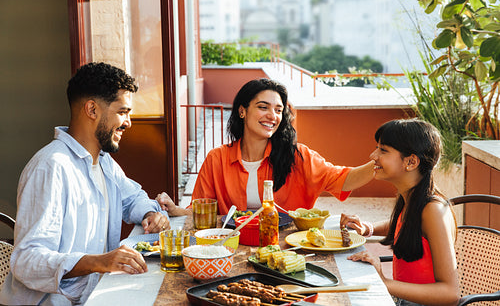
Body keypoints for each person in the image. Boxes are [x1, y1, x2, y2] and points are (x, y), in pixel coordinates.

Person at [0, 62, 183, 305]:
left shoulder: (104, 163)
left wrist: (150, 211)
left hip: (95, 296)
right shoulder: (51, 167)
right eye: (122, 112)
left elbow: (132, 198)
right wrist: (100, 261)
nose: (128, 122)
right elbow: (27, 261)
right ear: (92, 110)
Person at [186, 78, 375, 215]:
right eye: (263, 107)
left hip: (286, 248)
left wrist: (379, 162)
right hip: (232, 245)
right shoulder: (217, 158)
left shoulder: (297, 156)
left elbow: (344, 179)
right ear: (242, 111)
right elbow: (199, 209)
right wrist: (171, 210)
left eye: (278, 110)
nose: (272, 115)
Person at [340, 119, 459, 306]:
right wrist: (368, 228)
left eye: (383, 150)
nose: (373, 155)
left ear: (411, 162)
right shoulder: (413, 199)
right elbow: (405, 225)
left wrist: (385, 283)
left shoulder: (433, 210)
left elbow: (450, 293)